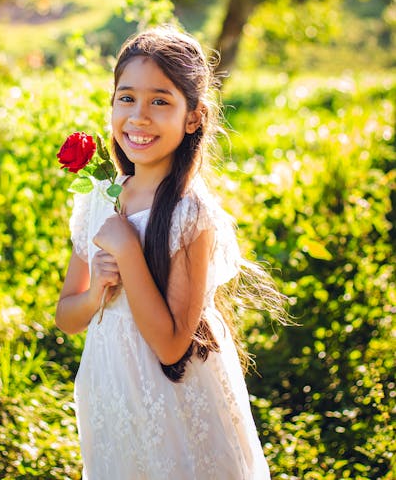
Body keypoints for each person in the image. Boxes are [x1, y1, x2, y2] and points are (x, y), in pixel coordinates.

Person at [56, 25, 285, 479]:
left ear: (193, 117)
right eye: (127, 98)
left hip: (176, 400)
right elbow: (67, 316)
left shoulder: (190, 215)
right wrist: (97, 289)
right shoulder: (98, 197)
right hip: (113, 390)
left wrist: (127, 251)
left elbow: (170, 345)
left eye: (160, 101)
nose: (139, 117)